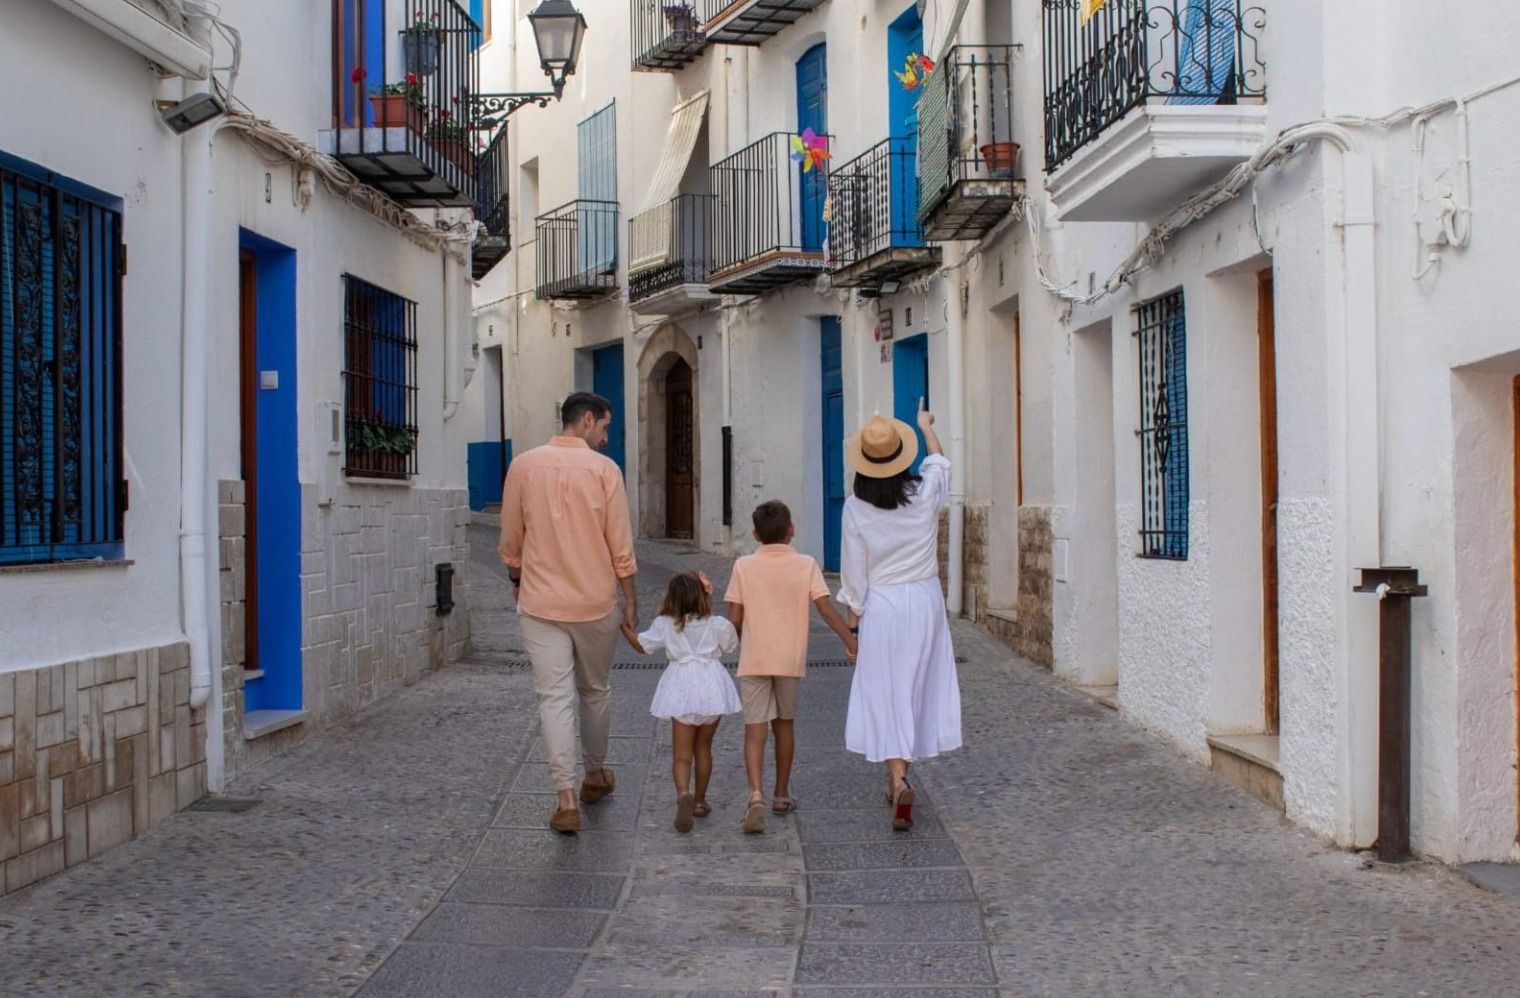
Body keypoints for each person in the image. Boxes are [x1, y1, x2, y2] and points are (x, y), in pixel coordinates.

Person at [498, 392, 640, 835]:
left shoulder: (522, 466)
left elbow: (510, 540)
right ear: (585, 421)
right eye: (603, 428)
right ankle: (595, 775)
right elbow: (620, 544)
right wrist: (630, 598)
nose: (605, 437)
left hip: (540, 604)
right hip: (594, 602)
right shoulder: (604, 471)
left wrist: (518, 581)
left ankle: (565, 799)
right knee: (594, 690)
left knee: (553, 697)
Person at [838, 400, 963, 831]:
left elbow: (854, 577)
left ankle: (897, 777)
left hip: (884, 604)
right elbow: (940, 464)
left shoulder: (855, 509)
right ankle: (900, 780)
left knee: (887, 691)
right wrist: (926, 426)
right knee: (913, 688)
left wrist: (853, 624)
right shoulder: (922, 496)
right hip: (925, 600)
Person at [725, 500, 857, 834]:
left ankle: (755, 794)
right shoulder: (806, 565)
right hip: (789, 660)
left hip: (754, 658)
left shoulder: (743, 566)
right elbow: (825, 608)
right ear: (792, 530)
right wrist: (851, 640)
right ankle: (781, 794)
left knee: (754, 731)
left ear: (755, 534)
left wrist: (734, 642)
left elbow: (735, 619)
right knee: (784, 726)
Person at [630, 571, 742, 833]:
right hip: (711, 688)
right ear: (701, 596)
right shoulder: (716, 624)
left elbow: (641, 646)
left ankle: (683, 794)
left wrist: (625, 629)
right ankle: (700, 801)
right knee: (703, 747)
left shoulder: (666, 624)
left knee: (682, 755)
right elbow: (731, 644)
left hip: (681, 688)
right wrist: (710, 602)